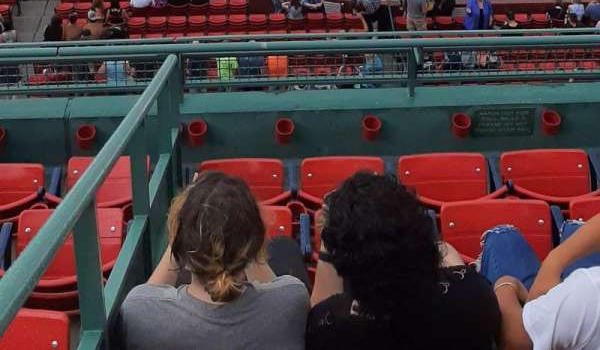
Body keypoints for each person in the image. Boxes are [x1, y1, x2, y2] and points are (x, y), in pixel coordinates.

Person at [116, 171, 309, 350]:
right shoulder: (292, 300)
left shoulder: (139, 311)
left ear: (179, 238)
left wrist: (178, 234)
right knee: (286, 247)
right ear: (254, 242)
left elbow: (150, 295)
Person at [306, 171, 500, 350]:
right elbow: (447, 257)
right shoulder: (474, 295)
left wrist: (328, 245)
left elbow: (321, 313)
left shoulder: (329, 329)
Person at [484, 209, 600, 350]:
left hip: (567, 317)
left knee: (503, 237)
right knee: (574, 229)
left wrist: (506, 285)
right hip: (578, 308)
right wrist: (554, 260)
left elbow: (516, 339)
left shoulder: (589, 289)